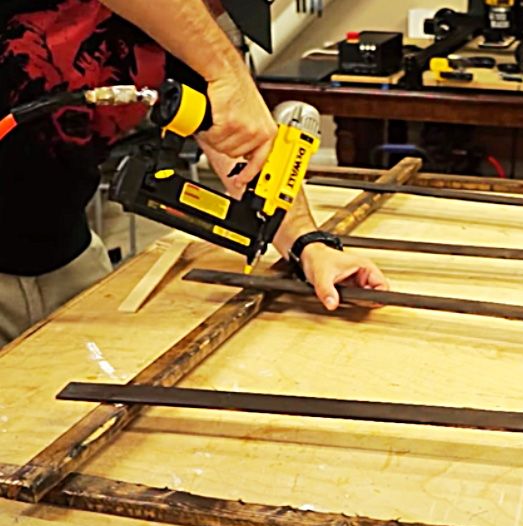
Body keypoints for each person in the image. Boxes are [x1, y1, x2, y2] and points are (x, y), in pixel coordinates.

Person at [0, 0, 388, 348]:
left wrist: (308, 244)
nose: (213, 16)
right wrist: (228, 74)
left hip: (64, 255)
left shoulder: (179, 42)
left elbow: (242, 148)